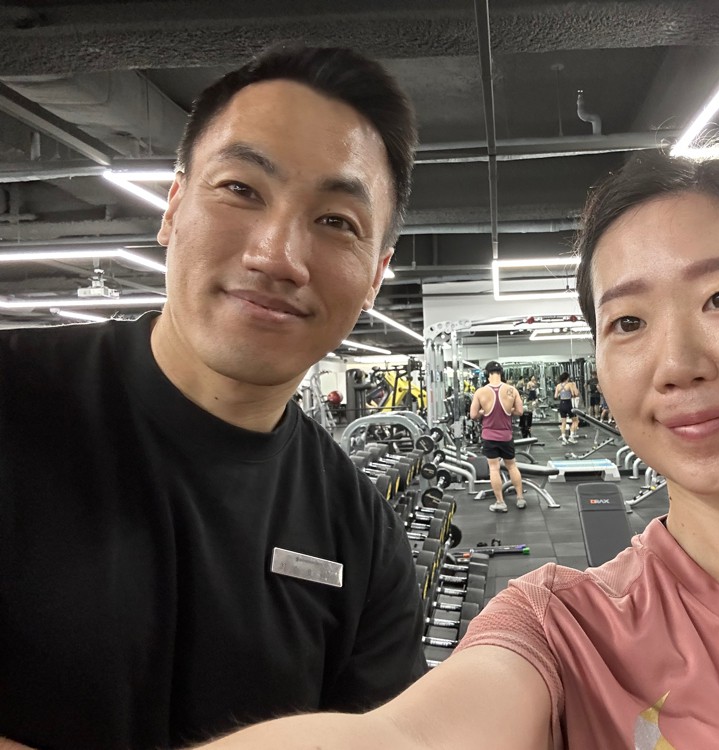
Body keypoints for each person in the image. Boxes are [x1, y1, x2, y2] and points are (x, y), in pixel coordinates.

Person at [196, 146, 719, 749]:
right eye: (628, 322)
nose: (678, 364)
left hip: (499, 439)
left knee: (503, 470)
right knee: (503, 470)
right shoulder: (561, 632)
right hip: (502, 449)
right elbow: (408, 738)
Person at [0, 46, 428, 750]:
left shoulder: (364, 540)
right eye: (240, 189)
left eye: (336, 222)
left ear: (376, 275)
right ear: (173, 208)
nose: (277, 256)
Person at [470, 361, 526, 512]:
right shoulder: (511, 390)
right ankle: (520, 498)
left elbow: (473, 415)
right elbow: (520, 411)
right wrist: (509, 410)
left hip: (489, 436)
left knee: (494, 468)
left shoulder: (480, 392)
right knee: (512, 466)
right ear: (501, 373)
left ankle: (500, 502)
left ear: (487, 374)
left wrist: (483, 412)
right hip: (506, 436)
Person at [554, 371, 580, 444]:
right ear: (567, 378)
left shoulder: (558, 385)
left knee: (563, 422)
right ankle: (571, 437)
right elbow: (575, 393)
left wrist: (561, 393)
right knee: (576, 421)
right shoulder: (570, 384)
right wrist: (574, 386)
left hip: (561, 404)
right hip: (568, 404)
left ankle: (563, 437)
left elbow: (555, 396)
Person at [519, 373, 539, 438]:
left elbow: (536, 388)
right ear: (531, 378)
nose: (533, 378)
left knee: (535, 403)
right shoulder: (529, 383)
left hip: (534, 393)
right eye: (532, 377)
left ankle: (534, 412)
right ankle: (532, 412)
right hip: (531, 393)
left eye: (534, 377)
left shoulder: (535, 382)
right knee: (531, 403)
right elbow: (527, 389)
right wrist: (530, 389)